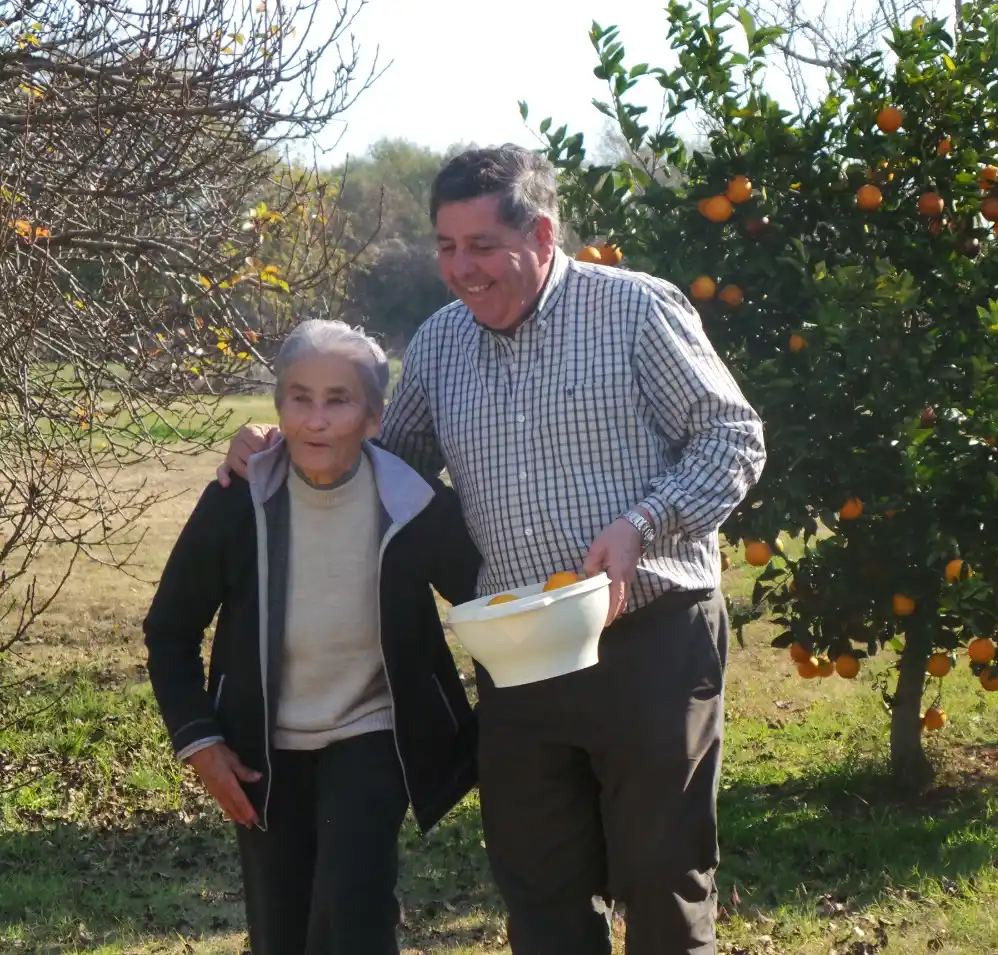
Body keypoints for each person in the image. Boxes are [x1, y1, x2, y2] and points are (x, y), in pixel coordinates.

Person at [218, 145, 767, 955]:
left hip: (651, 635)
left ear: (540, 235)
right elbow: (380, 467)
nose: (460, 269)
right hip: (517, 654)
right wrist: (283, 438)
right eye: (445, 246)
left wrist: (643, 524)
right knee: (537, 883)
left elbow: (732, 436)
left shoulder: (635, 310)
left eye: (479, 246)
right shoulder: (440, 345)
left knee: (660, 875)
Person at [146, 319, 482, 955]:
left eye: (339, 400)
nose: (317, 420)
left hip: (372, 732)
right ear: (277, 407)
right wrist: (200, 741)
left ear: (374, 418)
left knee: (352, 907)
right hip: (260, 747)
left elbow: (489, 603)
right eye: (300, 397)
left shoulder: (412, 507)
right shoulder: (236, 503)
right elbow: (169, 630)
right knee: (282, 929)